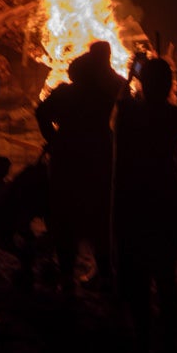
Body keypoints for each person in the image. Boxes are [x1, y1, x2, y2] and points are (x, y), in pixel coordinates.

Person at [111, 56, 177, 353]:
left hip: (136, 199)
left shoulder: (129, 113)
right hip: (168, 198)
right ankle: (169, 344)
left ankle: (143, 343)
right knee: (166, 277)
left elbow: (118, 109)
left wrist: (130, 76)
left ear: (144, 82)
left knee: (136, 278)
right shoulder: (175, 113)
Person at [35, 40, 126, 291]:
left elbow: (41, 113)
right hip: (98, 160)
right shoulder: (105, 96)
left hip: (66, 161)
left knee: (64, 219)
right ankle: (105, 273)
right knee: (100, 219)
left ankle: (67, 275)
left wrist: (53, 138)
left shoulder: (64, 92)